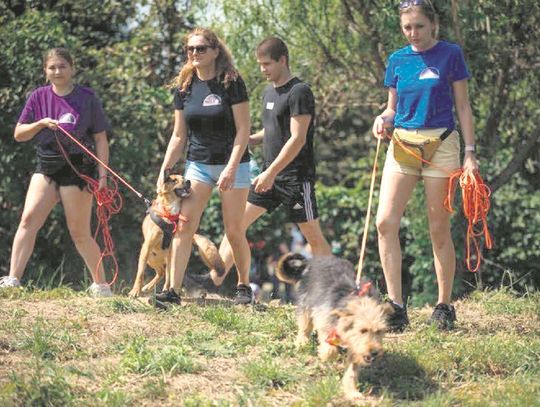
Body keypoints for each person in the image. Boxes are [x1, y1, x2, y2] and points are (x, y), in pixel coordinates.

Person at [372, 0, 478, 331]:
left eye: (419, 26)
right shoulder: (397, 60)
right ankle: (396, 306)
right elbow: (393, 107)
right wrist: (382, 117)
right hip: (403, 142)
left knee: (438, 228)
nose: (413, 33)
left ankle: (444, 306)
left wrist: (470, 153)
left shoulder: (450, 54)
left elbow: (463, 105)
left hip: (443, 142)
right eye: (407, 27)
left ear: (432, 24)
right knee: (384, 222)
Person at [209, 37, 332, 293]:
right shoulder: (269, 92)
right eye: (260, 64)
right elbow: (273, 129)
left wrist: (270, 172)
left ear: (283, 60)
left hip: (295, 179)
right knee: (236, 225)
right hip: (269, 176)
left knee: (314, 237)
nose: (262, 69)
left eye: (267, 64)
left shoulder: (300, 92)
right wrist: (247, 140)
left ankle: (334, 288)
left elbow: (297, 138)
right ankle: (214, 280)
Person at [1, 48, 112, 297]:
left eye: (62, 66)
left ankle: (101, 286)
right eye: (52, 67)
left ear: (72, 68)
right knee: (28, 220)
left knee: (79, 232)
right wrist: (40, 123)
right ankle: (13, 279)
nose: (57, 71)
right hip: (46, 166)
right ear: (45, 71)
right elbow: (19, 134)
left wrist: (103, 175)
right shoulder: (38, 96)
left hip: (77, 170)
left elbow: (101, 139)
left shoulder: (87, 98)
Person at [155, 28, 251, 305]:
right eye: (190, 49)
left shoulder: (231, 81)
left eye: (201, 49)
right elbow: (178, 135)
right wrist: (164, 169)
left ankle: (243, 286)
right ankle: (172, 290)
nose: (194, 53)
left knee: (233, 230)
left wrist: (231, 168)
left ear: (215, 51)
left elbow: (244, 130)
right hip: (198, 164)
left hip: (234, 163)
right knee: (184, 227)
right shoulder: (184, 87)